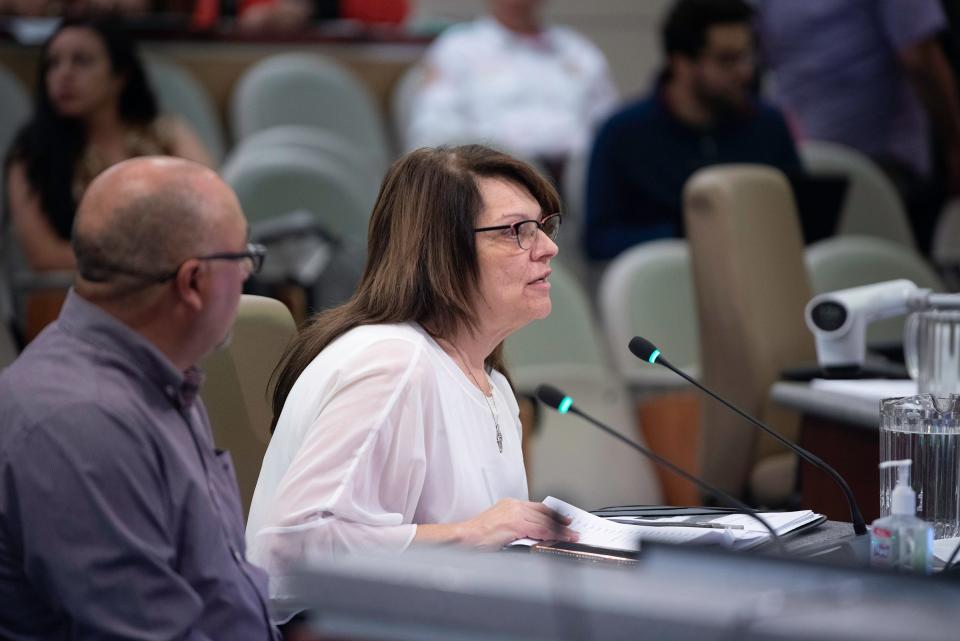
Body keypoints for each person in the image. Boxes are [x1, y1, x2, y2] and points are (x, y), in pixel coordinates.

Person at [246, 144, 578, 622]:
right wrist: (476, 533)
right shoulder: (391, 363)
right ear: (441, 250)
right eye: (517, 231)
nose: (548, 247)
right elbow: (288, 552)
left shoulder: (491, 381)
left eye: (544, 227)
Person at [0, 156, 277, 640]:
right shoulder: (83, 425)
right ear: (193, 282)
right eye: (243, 257)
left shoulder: (160, 371)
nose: (248, 275)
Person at [583, 0, 801, 261]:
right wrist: (683, 234)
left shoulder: (767, 125)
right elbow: (598, 239)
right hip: (670, 286)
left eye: (748, 56)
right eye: (727, 60)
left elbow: (800, 219)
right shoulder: (624, 133)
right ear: (682, 63)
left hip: (763, 272)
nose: (744, 72)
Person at [4, 18, 213, 274]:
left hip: (180, 283)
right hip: (80, 296)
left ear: (119, 75)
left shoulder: (166, 132)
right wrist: (149, 263)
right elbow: (44, 256)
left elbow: (212, 205)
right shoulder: (31, 154)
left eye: (82, 61)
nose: (64, 74)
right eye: (53, 63)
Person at [756, 0, 960, 255]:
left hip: (802, 160)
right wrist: (955, 143)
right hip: (879, 164)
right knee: (889, 274)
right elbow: (919, 57)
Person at [404, 0, 617, 178]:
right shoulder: (459, 48)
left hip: (577, 179)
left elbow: (609, 125)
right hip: (494, 177)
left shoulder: (577, 50)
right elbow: (431, 133)